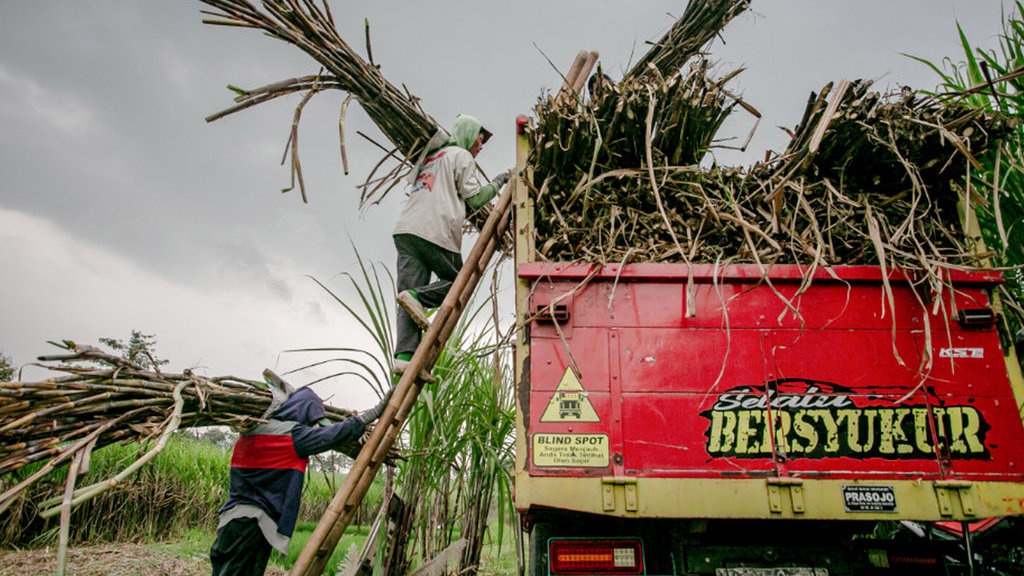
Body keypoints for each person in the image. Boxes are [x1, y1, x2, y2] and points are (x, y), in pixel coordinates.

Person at [209, 386, 390, 576]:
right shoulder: (291, 436)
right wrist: (377, 411)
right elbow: (335, 434)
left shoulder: (249, 433)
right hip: (252, 527)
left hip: (229, 522)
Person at [391, 113, 510, 378]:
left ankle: (405, 358)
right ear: (468, 136)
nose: (480, 147)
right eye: (479, 141)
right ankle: (419, 298)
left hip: (406, 230)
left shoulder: (433, 157)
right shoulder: (461, 156)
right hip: (434, 231)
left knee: (407, 293)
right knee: (459, 282)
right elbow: (476, 199)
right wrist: (501, 180)